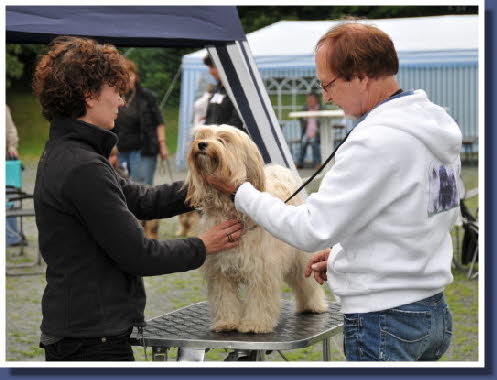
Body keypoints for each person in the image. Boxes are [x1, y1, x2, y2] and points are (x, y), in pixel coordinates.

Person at [206, 22, 462, 361]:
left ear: (359, 76)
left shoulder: (374, 140)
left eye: (328, 84)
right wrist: (345, 258)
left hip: (384, 318)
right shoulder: (435, 126)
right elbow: (422, 216)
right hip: (431, 311)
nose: (326, 96)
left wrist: (241, 191)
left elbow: (309, 229)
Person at [32, 35, 244, 361]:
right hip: (92, 341)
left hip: (84, 331)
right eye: (115, 91)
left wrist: (205, 185)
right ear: (89, 95)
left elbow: (138, 198)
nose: (121, 101)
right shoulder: (82, 166)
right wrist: (204, 245)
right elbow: (139, 254)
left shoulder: (73, 153)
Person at [113, 58, 168, 238]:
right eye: (123, 75)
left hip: (144, 150)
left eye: (130, 74)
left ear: (135, 76)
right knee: (121, 189)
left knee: (143, 189)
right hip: (120, 151)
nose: (128, 78)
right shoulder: (113, 96)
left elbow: (159, 122)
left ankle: (150, 231)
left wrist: (162, 143)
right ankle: (130, 229)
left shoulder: (146, 96)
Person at [5, 105, 28, 247]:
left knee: (9, 198)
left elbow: (10, 130)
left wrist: (12, 146)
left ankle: (12, 236)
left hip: (5, 162)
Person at [203, 55, 245, 131]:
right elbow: (209, 118)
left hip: (227, 139)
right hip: (211, 139)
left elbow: (237, 122)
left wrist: (218, 136)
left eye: (212, 67)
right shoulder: (216, 90)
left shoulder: (238, 91)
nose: (210, 72)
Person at [297, 92, 321, 169]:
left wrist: (315, 132)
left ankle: (317, 163)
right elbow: (300, 118)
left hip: (318, 133)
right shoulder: (305, 109)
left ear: (316, 100)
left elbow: (323, 123)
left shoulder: (320, 109)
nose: (309, 101)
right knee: (303, 143)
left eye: (311, 99)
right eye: (308, 100)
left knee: (314, 143)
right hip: (307, 133)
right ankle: (299, 163)